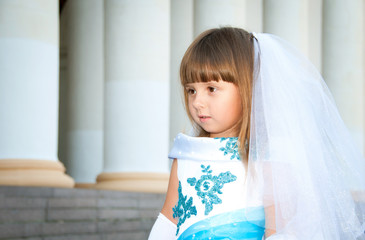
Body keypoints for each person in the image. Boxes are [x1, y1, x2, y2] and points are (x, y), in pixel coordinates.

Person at [148, 27, 365, 239]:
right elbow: (168, 221)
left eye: (211, 89)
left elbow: (280, 232)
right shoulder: (187, 154)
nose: (197, 102)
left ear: (247, 88)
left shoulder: (269, 159)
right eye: (191, 90)